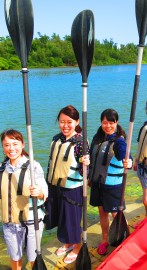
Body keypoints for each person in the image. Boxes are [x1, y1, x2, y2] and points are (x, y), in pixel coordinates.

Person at [0, 129, 48, 270]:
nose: (11, 148)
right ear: (3, 147)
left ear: (23, 144)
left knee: (33, 257)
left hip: (31, 221)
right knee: (14, 256)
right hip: (9, 223)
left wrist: (39, 192)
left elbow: (44, 190)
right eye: (7, 145)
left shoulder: (33, 166)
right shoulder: (0, 168)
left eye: (15, 143)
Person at [44, 105, 90, 264]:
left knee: (72, 220)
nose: (65, 125)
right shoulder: (56, 139)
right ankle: (69, 242)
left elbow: (86, 173)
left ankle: (77, 247)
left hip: (72, 189)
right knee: (60, 219)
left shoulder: (81, 143)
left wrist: (86, 164)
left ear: (77, 121)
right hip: (54, 186)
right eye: (62, 122)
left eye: (69, 122)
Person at [88, 108, 132, 256]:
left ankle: (127, 238)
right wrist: (90, 177)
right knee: (102, 212)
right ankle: (105, 239)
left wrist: (129, 162)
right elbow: (93, 159)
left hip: (113, 185)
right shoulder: (98, 138)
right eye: (104, 122)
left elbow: (126, 155)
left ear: (116, 123)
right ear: (101, 123)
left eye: (111, 123)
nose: (107, 126)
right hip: (97, 184)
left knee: (116, 214)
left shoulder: (119, 141)